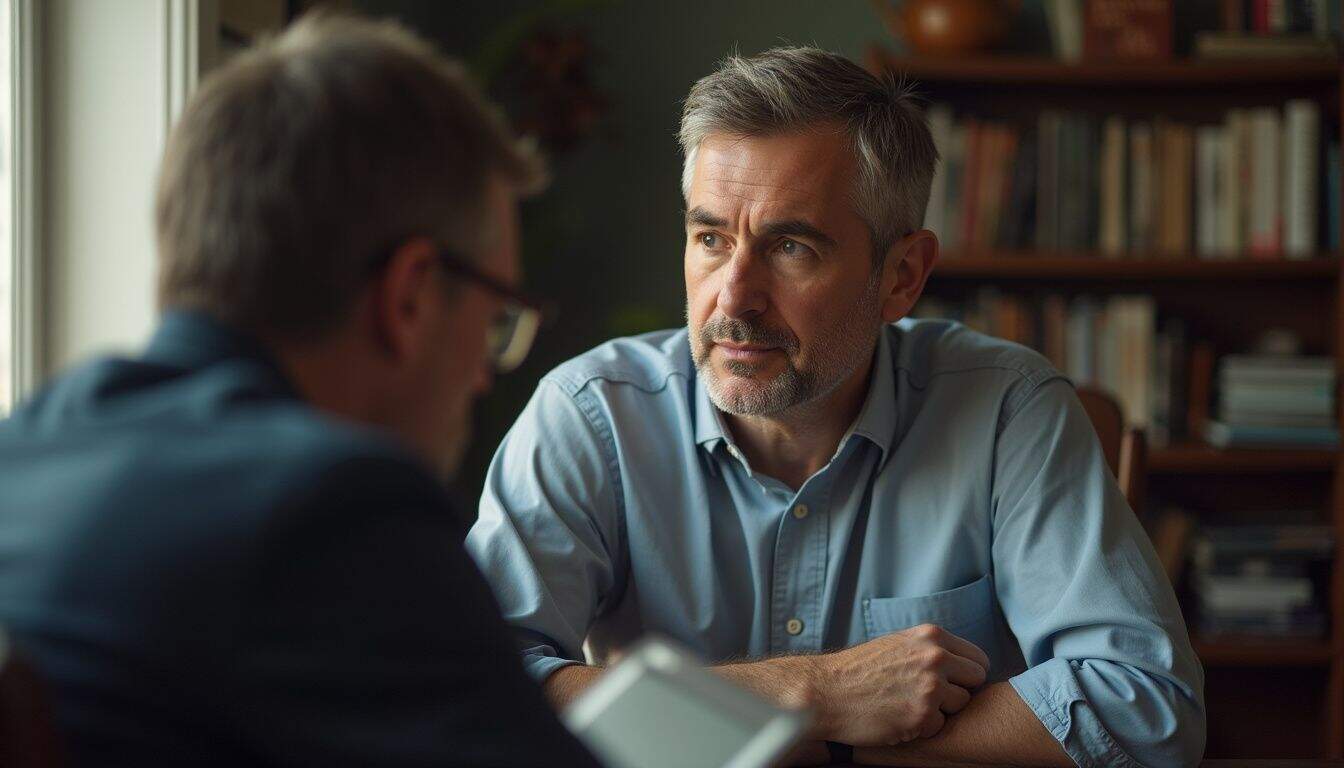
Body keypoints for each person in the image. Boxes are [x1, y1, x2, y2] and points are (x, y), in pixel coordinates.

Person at [468, 47, 1205, 767]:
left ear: (902, 276)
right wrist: (813, 695)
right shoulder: (592, 417)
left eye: (791, 247)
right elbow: (470, 688)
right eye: (710, 238)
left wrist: (820, 741)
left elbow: (1145, 705)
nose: (734, 297)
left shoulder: (1006, 410)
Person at [0, 14, 600, 768]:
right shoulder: (336, 512)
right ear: (410, 296)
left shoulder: (27, 442)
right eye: (494, 318)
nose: (484, 372)